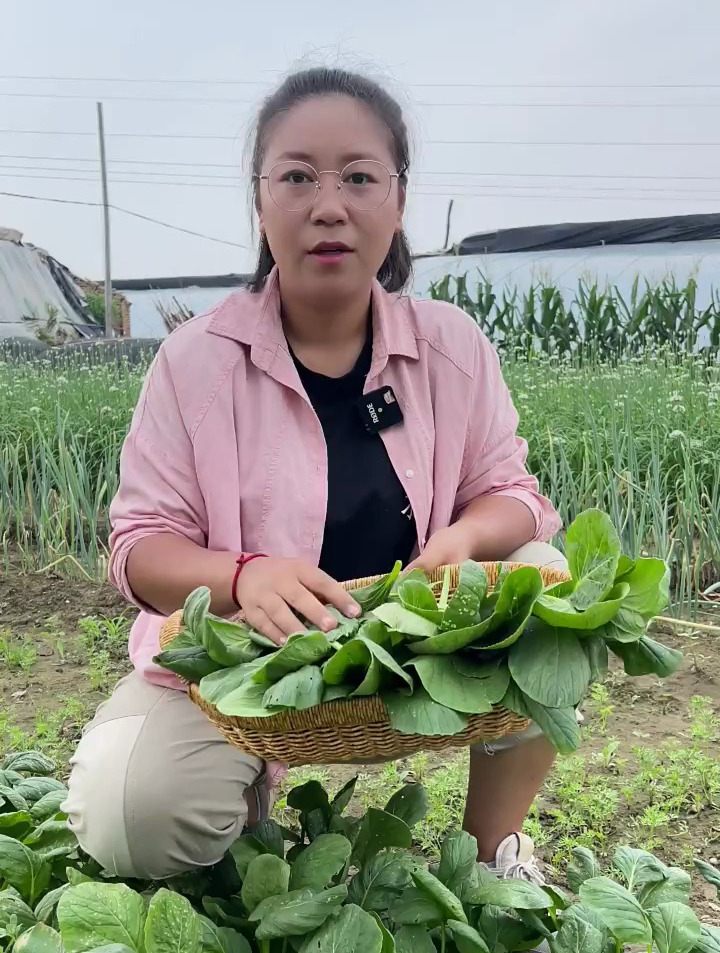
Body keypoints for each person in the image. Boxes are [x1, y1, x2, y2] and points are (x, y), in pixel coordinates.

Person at [63, 67, 566, 886]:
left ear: (397, 201)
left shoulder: (453, 348)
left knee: (549, 583)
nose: (328, 204)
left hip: (413, 647)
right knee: (129, 815)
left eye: (359, 177)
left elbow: (518, 496)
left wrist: (465, 539)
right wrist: (239, 576)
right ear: (260, 201)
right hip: (246, 663)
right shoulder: (194, 365)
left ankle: (490, 856)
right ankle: (248, 800)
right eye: (296, 175)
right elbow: (138, 548)